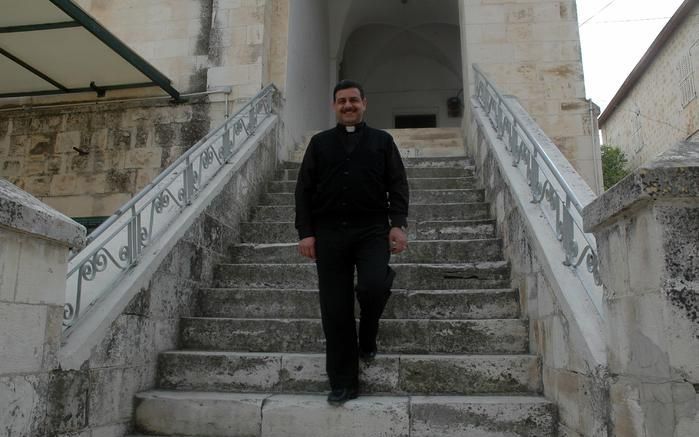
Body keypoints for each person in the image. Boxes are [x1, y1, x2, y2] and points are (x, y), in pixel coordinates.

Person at [294, 80, 410, 405]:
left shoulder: (383, 141)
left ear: (364, 103)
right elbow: (303, 190)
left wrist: (398, 224)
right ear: (334, 106)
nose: (348, 105)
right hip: (329, 234)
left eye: (354, 100)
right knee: (335, 308)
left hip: (372, 230)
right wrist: (305, 232)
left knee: (373, 285)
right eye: (342, 101)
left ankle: (369, 330)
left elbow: (398, 183)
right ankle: (343, 382)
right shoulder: (319, 144)